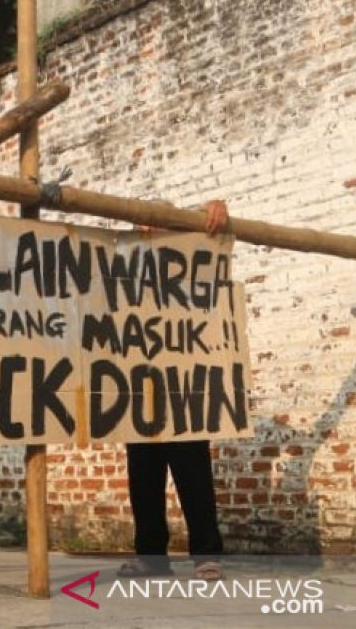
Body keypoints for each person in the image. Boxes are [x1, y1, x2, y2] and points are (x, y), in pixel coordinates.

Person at [118, 200, 229, 582]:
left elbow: (216, 248)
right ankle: (151, 557)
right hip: (139, 387)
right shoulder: (128, 272)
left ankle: (206, 555)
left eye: (155, 224)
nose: (147, 230)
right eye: (142, 225)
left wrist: (211, 210)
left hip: (184, 386)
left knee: (193, 474)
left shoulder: (189, 266)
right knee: (143, 479)